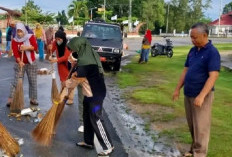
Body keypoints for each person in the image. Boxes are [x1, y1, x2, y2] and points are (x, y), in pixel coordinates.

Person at [172, 23, 220, 157]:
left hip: (202, 95)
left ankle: (200, 153)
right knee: (193, 125)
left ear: (205, 35)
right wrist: (177, 89)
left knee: (201, 127)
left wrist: (202, 96)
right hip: (189, 93)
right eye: (191, 37)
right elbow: (185, 71)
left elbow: (213, 75)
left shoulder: (212, 52)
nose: (192, 40)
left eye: (195, 37)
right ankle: (193, 149)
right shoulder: (193, 51)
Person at [67, 37, 114, 156]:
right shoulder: (89, 55)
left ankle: (108, 145)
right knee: (87, 117)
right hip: (89, 94)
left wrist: (65, 84)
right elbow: (80, 73)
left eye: (73, 49)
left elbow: (78, 78)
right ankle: (88, 142)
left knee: (96, 118)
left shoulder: (85, 61)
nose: (72, 52)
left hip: (95, 96)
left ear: (79, 48)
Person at [6, 22, 38, 107]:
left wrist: (26, 47)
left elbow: (35, 47)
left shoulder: (30, 37)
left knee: (33, 81)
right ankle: (11, 99)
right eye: (18, 31)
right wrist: (19, 61)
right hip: (20, 64)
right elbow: (16, 53)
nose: (19, 33)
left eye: (21, 31)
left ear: (24, 30)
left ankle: (33, 99)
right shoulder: (15, 40)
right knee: (16, 81)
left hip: (31, 63)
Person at [48, 30, 73, 104]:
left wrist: (56, 60)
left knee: (69, 80)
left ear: (63, 38)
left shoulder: (67, 45)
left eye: (59, 39)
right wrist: (49, 49)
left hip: (68, 63)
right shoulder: (55, 42)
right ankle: (63, 95)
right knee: (63, 80)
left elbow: (66, 57)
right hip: (60, 64)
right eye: (56, 39)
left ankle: (69, 98)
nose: (57, 40)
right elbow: (51, 50)